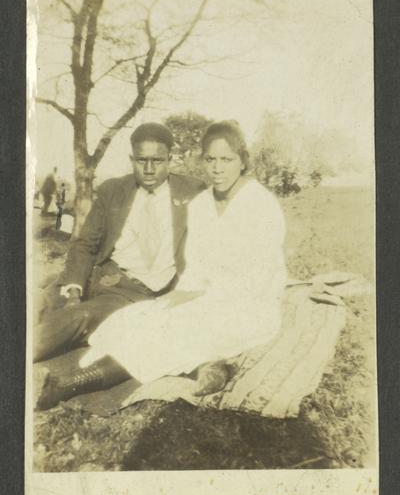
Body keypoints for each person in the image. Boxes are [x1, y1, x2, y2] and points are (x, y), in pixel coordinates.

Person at [36, 120, 287, 409]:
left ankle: (67, 386)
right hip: (198, 296)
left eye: (226, 159)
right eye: (210, 159)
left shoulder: (260, 204)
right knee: (129, 322)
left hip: (247, 305)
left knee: (166, 334)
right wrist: (179, 299)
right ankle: (208, 366)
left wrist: (200, 302)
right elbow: (195, 268)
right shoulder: (201, 203)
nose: (217, 168)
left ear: (243, 160)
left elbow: (263, 276)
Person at [34, 122, 205, 362]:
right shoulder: (113, 190)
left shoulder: (194, 191)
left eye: (157, 161)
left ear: (170, 159)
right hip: (96, 274)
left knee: (78, 317)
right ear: (131, 158)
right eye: (140, 160)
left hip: (131, 292)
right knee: (37, 301)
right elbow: (85, 243)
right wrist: (74, 288)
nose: (148, 169)